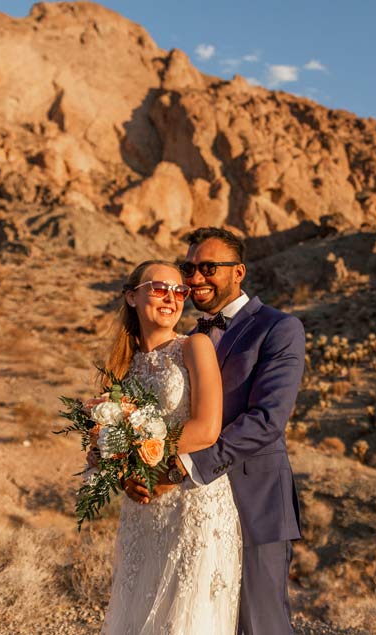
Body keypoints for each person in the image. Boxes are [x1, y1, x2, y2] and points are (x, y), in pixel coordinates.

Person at [125, 228, 306, 635]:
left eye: (209, 267)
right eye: (190, 268)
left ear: (238, 272)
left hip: (253, 501)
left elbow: (267, 420)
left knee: (260, 625)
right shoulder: (185, 338)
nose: (195, 278)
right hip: (187, 512)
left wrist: (177, 470)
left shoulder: (279, 328)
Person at [99, 259, 242, 635]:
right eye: (159, 288)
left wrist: (143, 453)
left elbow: (207, 427)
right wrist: (119, 468)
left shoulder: (194, 346)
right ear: (132, 296)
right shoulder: (121, 366)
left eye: (179, 291)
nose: (172, 298)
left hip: (192, 502)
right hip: (143, 508)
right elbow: (105, 435)